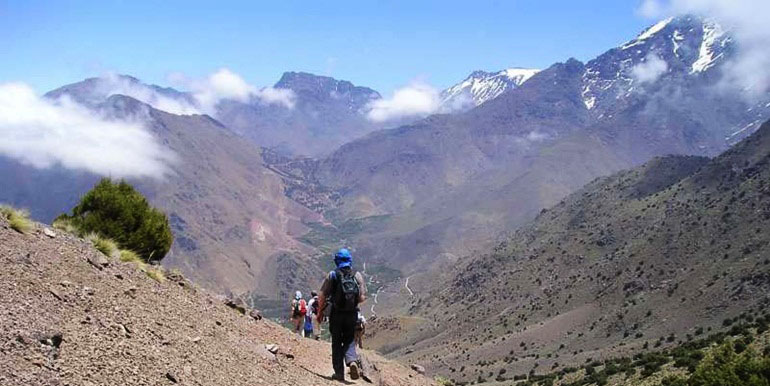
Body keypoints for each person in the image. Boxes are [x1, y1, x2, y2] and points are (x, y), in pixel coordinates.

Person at [317, 248, 367, 381]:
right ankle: (352, 361)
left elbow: (322, 296)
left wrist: (320, 312)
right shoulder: (357, 275)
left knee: (337, 342)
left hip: (336, 314)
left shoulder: (332, 275)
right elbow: (362, 298)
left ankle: (339, 373)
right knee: (349, 339)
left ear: (337, 261)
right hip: (352, 314)